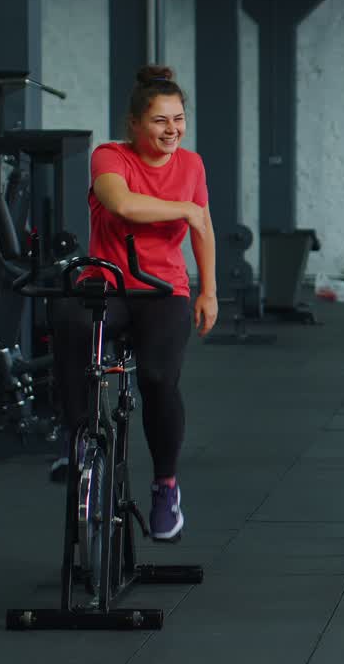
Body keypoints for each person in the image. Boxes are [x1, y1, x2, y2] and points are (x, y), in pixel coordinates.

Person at [49, 65, 218, 543]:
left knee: (158, 379)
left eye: (178, 119)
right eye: (160, 120)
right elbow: (121, 204)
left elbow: (203, 230)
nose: (172, 130)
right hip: (107, 283)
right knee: (69, 322)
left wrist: (208, 290)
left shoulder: (192, 165)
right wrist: (186, 210)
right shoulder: (110, 156)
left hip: (163, 290)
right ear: (135, 124)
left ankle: (166, 488)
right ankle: (76, 439)